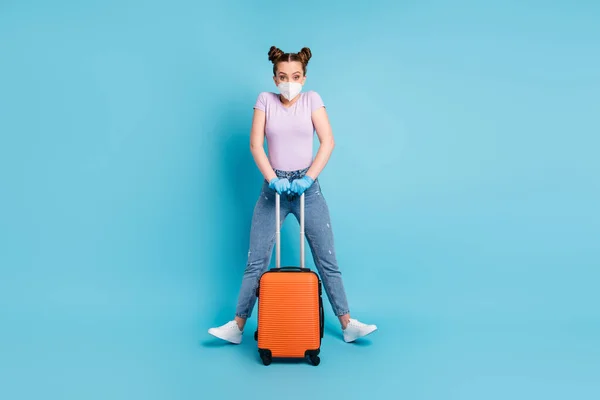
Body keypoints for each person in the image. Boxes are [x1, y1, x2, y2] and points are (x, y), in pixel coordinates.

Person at [208, 46, 377, 344]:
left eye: (296, 76)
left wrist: (309, 178)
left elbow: (328, 142)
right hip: (272, 187)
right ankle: (237, 326)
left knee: (326, 259)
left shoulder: (312, 100)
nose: (290, 81)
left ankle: (348, 323)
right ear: (275, 79)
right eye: (284, 76)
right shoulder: (265, 101)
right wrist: (272, 179)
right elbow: (255, 145)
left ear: (305, 76)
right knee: (256, 261)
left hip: (306, 188)